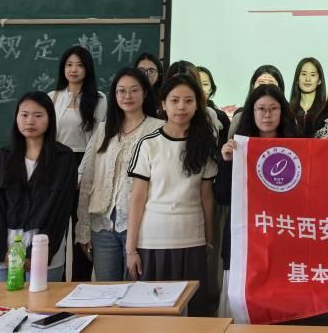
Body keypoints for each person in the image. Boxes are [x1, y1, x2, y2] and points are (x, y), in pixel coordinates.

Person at [126, 74, 218, 316]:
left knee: (193, 315)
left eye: (188, 101)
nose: (181, 107)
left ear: (197, 105)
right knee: (154, 315)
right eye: (174, 100)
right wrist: (131, 249)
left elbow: (206, 197)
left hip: (192, 239)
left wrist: (209, 240)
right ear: (163, 104)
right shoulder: (149, 143)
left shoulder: (205, 145)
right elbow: (137, 198)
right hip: (152, 241)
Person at [216, 84, 299, 316]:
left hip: (282, 239)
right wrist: (227, 163)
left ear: (282, 111)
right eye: (261, 108)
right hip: (244, 240)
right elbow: (222, 196)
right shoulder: (238, 147)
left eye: (273, 108)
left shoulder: (297, 147)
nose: (267, 114)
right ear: (251, 112)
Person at [75, 68, 162, 281]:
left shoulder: (158, 129)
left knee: (136, 292)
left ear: (145, 93)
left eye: (134, 90)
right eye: (121, 91)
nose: (127, 96)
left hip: (141, 225)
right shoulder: (104, 130)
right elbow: (88, 180)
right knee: (107, 292)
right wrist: (83, 229)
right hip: (102, 225)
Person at [0, 92, 76, 283]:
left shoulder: (64, 159)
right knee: (5, 302)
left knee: (42, 302)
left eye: (38, 115)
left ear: (50, 118)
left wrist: (35, 254)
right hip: (5, 253)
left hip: (45, 251)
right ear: (16, 118)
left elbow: (60, 212)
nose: (30, 121)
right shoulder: (4, 157)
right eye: (24, 115)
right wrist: (0, 252)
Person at [48, 45, 107, 281]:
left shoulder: (99, 99)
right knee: (57, 227)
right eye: (69, 65)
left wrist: (81, 173)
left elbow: (97, 139)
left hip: (87, 162)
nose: (74, 69)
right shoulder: (52, 97)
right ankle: (57, 284)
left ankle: (80, 284)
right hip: (57, 164)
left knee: (82, 229)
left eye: (80, 65)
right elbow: (48, 136)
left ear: (87, 69)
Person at [228, 64, 285, 137]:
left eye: (271, 84)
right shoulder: (239, 119)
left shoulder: (289, 119)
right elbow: (232, 142)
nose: (265, 88)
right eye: (261, 83)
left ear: (279, 88)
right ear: (253, 86)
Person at [288, 57, 327, 137]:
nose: (308, 79)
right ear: (297, 79)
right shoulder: (287, 110)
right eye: (304, 74)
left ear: (319, 80)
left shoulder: (327, 110)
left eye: (313, 75)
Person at [198, 65, 231, 140]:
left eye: (205, 84)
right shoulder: (184, 114)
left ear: (211, 89)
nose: (201, 88)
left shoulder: (221, 116)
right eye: (197, 83)